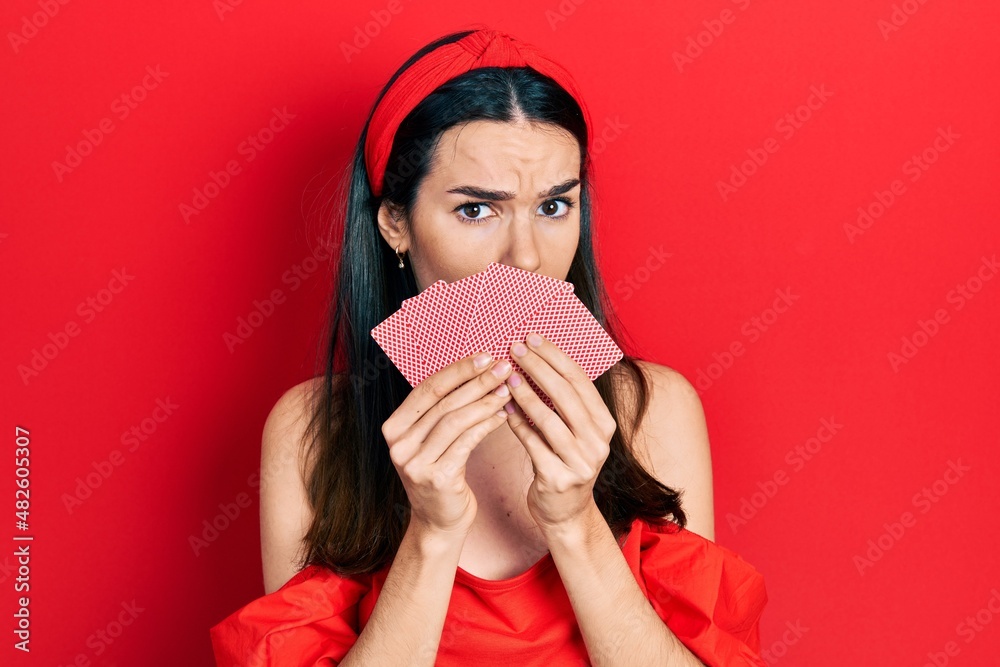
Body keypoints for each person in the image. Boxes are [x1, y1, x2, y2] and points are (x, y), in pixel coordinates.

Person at [210, 26, 768, 666]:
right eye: (477, 209)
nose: (525, 258)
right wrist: (431, 533)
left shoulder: (653, 412)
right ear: (395, 222)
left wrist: (575, 525)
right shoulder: (314, 431)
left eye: (554, 207)